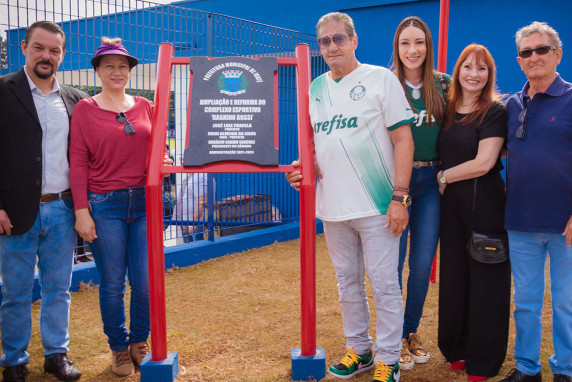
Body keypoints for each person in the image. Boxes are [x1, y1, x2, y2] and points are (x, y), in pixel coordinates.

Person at [286, 12, 414, 382]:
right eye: (324, 41)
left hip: (378, 204)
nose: (331, 47)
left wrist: (400, 197)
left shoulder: (380, 79)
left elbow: (403, 138)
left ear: (354, 41)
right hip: (333, 206)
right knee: (347, 284)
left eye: (338, 39)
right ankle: (360, 351)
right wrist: (303, 168)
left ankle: (390, 357)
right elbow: (315, 143)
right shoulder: (315, 88)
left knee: (385, 283)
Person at [69, 37, 171, 377]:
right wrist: (81, 210)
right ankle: (118, 348)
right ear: (97, 70)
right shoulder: (85, 109)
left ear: (130, 72)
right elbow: (78, 163)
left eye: (123, 66)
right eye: (109, 66)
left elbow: (159, 148)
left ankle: (139, 342)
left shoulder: (146, 106)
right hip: (104, 205)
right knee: (112, 282)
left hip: (145, 202)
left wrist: (165, 157)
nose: (117, 71)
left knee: (143, 281)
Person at [0, 21, 85, 382]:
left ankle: (56, 355)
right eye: (40, 48)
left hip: (62, 211)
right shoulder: (2, 91)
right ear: (25, 47)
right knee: (15, 293)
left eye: (54, 50)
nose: (46, 56)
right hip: (15, 212)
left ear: (63, 55)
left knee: (58, 290)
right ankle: (14, 360)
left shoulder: (75, 99)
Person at [500, 21, 572, 382]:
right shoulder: (511, 105)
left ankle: (566, 369)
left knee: (567, 304)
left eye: (542, 49)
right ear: (519, 60)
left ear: (557, 54)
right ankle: (527, 368)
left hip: (566, 225)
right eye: (526, 52)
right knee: (525, 304)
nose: (534, 57)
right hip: (521, 221)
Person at [436, 44, 510, 381]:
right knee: (455, 277)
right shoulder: (447, 109)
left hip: (485, 203)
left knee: (486, 279)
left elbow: (484, 162)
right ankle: (458, 348)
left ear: (489, 75)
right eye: (468, 67)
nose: (474, 74)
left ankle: (484, 358)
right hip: (451, 205)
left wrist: (445, 176)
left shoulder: (493, 110)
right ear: (458, 71)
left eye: (481, 69)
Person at [391, 16, 450, 371]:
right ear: (396, 48)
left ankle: (409, 332)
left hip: (432, 183)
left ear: (428, 46)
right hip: (396, 185)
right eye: (405, 43)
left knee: (422, 264)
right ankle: (391, 336)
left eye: (419, 43)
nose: (413, 50)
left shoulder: (443, 84)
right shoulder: (385, 83)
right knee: (391, 265)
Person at [176, 172, 214, 243]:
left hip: (193, 222)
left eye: (184, 160)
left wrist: (194, 223)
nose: (182, 162)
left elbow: (201, 201)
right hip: (189, 221)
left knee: (196, 246)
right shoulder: (194, 177)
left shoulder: (199, 177)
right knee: (189, 247)